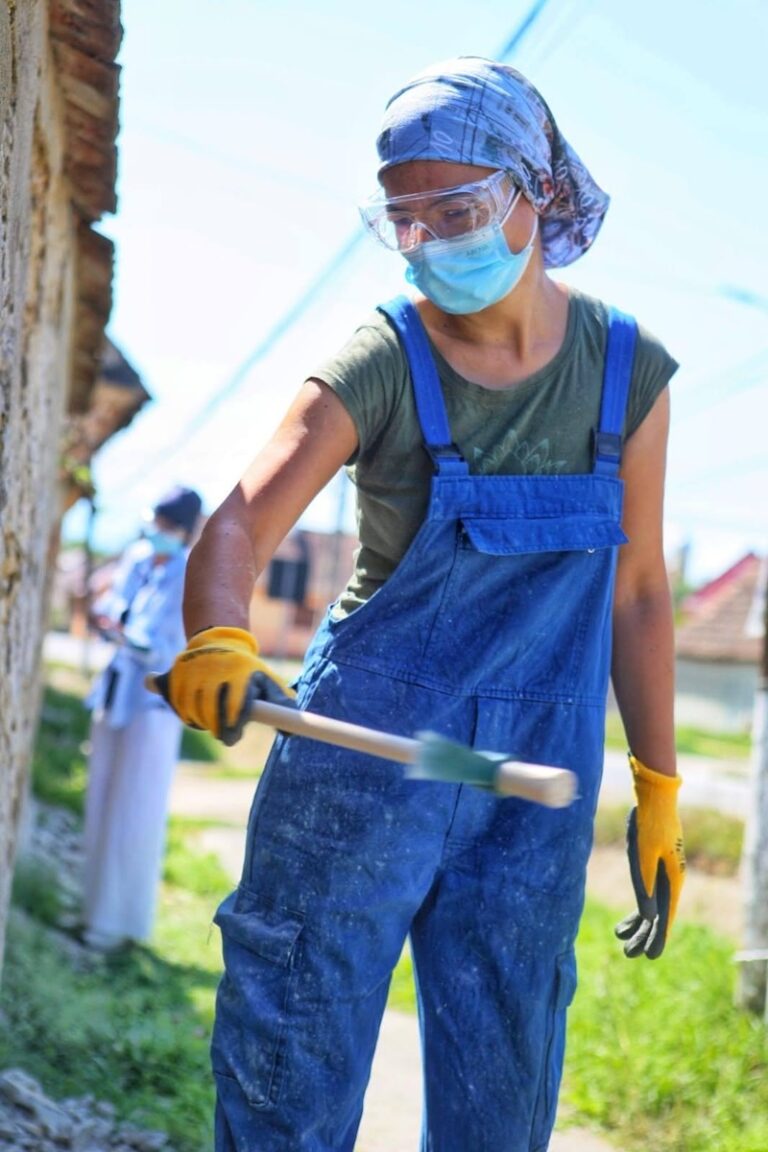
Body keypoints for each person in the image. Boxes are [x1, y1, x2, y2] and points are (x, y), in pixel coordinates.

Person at [158, 57, 686, 1151]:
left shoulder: (627, 372)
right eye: (405, 220)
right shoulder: (386, 355)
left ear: (533, 191)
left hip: (523, 793)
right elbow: (241, 523)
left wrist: (660, 784)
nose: (431, 242)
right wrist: (217, 632)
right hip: (365, 766)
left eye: (457, 210)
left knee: (502, 1098)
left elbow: (637, 593)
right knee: (286, 1081)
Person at [82, 485, 203, 952]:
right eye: (156, 522)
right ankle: (92, 909)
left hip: (155, 705)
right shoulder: (136, 556)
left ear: (185, 531)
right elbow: (111, 603)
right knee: (101, 800)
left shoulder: (188, 572)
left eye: (169, 527)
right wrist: (114, 621)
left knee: (136, 812)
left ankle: (119, 926)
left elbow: (162, 643)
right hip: (116, 693)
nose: (159, 533)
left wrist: (123, 631)